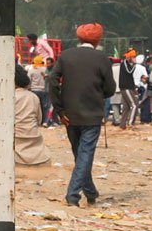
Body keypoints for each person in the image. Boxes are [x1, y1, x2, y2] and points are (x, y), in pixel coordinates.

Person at [47, 23, 115, 207]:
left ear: (78, 38)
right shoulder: (102, 59)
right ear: (98, 39)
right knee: (85, 154)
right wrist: (99, 94)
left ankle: (91, 192)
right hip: (92, 115)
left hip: (69, 115)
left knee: (79, 155)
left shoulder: (66, 55)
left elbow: (52, 81)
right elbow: (110, 89)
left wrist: (59, 109)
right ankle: (73, 195)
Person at [14, 65, 51, 166]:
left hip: (16, 137)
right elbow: (39, 120)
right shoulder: (33, 97)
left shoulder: (11, 97)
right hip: (33, 136)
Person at [114, 49, 147, 129]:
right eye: (134, 57)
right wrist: (134, 65)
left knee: (126, 107)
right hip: (125, 87)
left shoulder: (129, 64)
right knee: (135, 105)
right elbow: (129, 72)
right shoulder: (125, 63)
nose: (135, 59)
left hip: (129, 87)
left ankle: (122, 125)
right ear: (130, 58)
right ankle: (130, 123)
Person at [27, 55, 50, 125]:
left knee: (35, 107)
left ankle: (35, 122)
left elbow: (28, 80)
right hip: (44, 90)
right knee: (45, 106)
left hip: (34, 90)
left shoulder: (31, 70)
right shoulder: (45, 69)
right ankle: (45, 121)